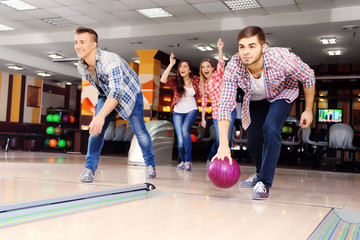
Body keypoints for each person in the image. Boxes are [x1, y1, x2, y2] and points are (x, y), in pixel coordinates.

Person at [215, 26, 315, 200]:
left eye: (252, 46)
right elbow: (224, 105)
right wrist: (224, 144)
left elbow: (308, 76)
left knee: (270, 128)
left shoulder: (282, 59)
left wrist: (308, 110)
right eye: (242, 47)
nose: (246, 52)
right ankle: (260, 172)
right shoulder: (234, 66)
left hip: (283, 94)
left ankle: (264, 182)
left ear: (263, 47)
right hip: (255, 100)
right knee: (253, 141)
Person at [74, 27, 156, 182]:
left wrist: (100, 116)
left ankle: (150, 164)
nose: (78, 46)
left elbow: (117, 93)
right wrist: (96, 115)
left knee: (140, 132)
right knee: (95, 132)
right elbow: (101, 89)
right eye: (76, 42)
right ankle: (89, 169)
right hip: (106, 95)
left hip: (131, 95)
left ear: (94, 45)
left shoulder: (111, 60)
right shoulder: (81, 66)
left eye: (82, 42)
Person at [160, 53, 201, 171]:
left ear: (189, 70)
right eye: (180, 67)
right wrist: (171, 64)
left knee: (184, 130)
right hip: (178, 111)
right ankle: (183, 161)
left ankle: (188, 161)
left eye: (185, 66)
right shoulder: (175, 80)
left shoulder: (196, 80)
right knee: (180, 139)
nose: (182, 69)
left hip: (192, 110)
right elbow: (163, 80)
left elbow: (204, 84)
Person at [199, 38, 236, 166]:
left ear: (212, 68)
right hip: (216, 114)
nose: (206, 69)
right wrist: (203, 118)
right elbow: (203, 102)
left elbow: (221, 64)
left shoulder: (218, 75)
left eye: (208, 66)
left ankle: (225, 162)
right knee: (220, 139)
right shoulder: (202, 84)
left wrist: (220, 49)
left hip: (230, 109)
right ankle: (212, 158)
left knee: (228, 140)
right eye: (203, 67)